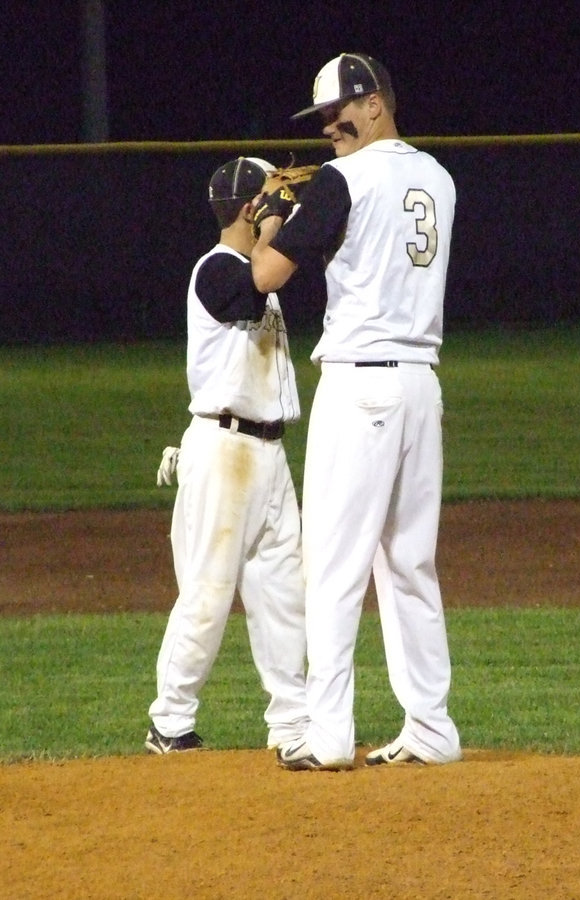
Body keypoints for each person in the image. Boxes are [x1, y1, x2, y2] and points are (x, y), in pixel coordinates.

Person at [249, 53, 462, 770]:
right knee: (409, 564)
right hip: (421, 386)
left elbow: (266, 274)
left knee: (332, 564)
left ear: (375, 103)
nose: (328, 129)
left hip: (360, 383)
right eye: (322, 119)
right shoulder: (439, 177)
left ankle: (329, 732)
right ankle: (431, 727)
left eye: (338, 113)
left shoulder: (344, 180)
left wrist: (272, 219)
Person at [144, 157, 308, 755]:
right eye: (270, 194)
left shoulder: (256, 266)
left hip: (269, 454)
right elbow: (254, 288)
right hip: (225, 452)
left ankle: (293, 721)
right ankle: (170, 722)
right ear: (247, 209)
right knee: (209, 594)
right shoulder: (216, 269)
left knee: (284, 593)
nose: (281, 200)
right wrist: (277, 227)